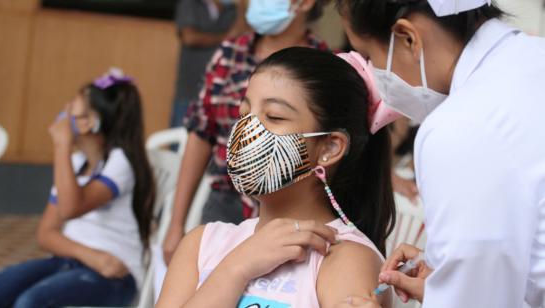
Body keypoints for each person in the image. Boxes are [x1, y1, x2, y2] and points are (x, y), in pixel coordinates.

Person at [337, 0, 545, 306]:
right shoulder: (533, 57)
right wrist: (450, 273)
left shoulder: (460, 126)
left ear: (408, 37)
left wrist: (452, 287)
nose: (373, 73)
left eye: (369, 55)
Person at [157, 46, 397, 308]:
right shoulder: (202, 243)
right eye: (244, 114)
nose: (247, 130)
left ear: (329, 147)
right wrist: (236, 268)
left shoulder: (343, 257)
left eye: (274, 117)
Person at [163, 0, 332, 265]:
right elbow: (200, 135)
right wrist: (176, 224)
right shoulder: (230, 53)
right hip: (224, 203)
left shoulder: (325, 67)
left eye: (275, 116)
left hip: (290, 210)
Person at [0, 69, 156, 307]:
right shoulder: (75, 164)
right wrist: (91, 256)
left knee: (30, 302)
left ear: (91, 123)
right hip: (74, 262)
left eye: (72, 108)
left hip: (115, 275)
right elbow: (46, 234)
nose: (64, 113)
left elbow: (70, 209)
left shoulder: (121, 163)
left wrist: (62, 144)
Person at [170, 0, 250, 127]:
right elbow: (189, 37)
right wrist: (227, 37)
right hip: (189, 93)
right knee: (179, 141)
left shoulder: (232, 10)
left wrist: (241, 7)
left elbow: (244, 34)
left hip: (220, 98)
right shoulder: (190, 4)